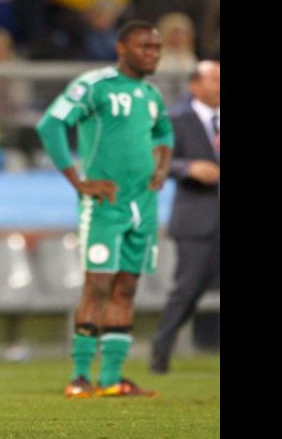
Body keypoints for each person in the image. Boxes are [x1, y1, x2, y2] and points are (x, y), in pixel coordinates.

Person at [36, 20, 174, 398]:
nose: (153, 54)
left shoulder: (151, 95)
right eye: (145, 47)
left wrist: (162, 167)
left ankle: (112, 378)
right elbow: (51, 124)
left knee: (127, 287)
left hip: (142, 206)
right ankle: (80, 376)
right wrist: (77, 180)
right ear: (122, 48)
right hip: (104, 205)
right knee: (97, 284)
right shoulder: (94, 85)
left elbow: (163, 131)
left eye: (157, 48)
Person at [150, 60, 220, 374]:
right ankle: (161, 347)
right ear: (195, 85)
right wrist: (187, 168)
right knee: (189, 289)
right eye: (215, 80)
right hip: (198, 218)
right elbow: (157, 160)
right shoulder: (177, 120)